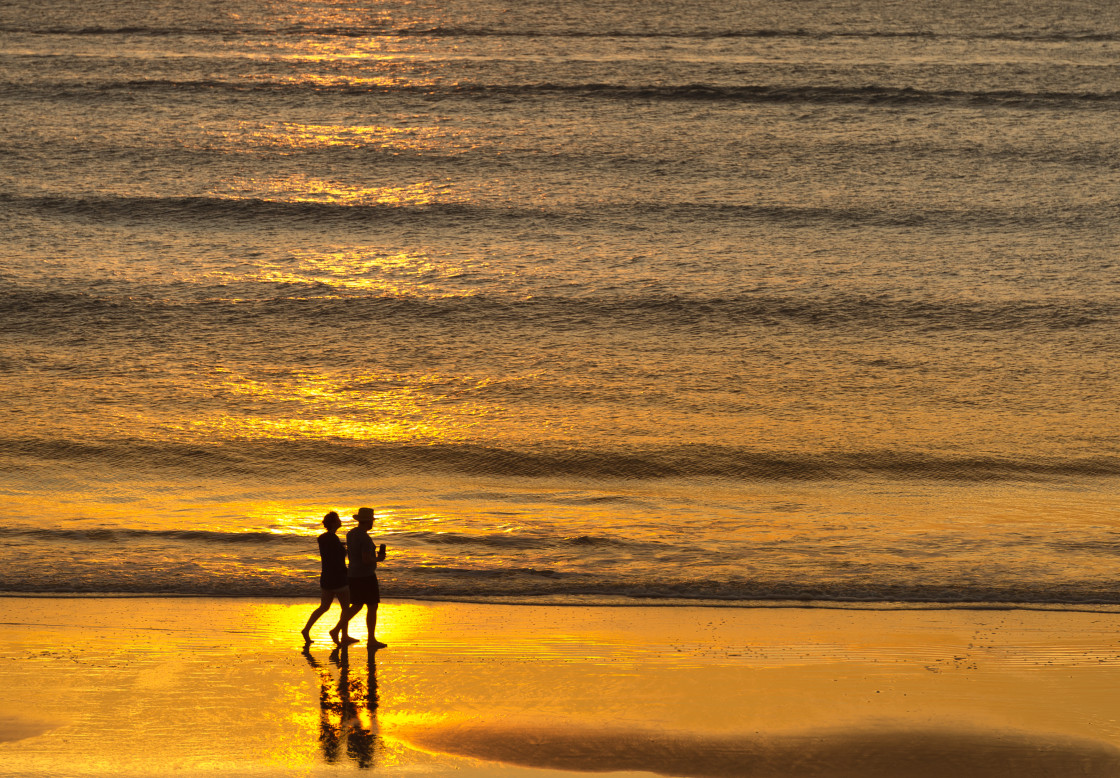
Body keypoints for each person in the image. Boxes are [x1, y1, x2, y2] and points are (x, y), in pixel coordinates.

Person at [336, 507, 388, 648]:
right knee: (372, 606)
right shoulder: (364, 537)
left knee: (357, 605)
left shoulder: (351, 533)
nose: (373, 524)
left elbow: (354, 554)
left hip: (352, 573)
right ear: (369, 522)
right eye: (372, 521)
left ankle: (337, 630)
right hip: (365, 575)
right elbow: (365, 560)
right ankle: (371, 640)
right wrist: (378, 559)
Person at [301, 511, 352, 644]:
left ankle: (306, 629)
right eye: (338, 519)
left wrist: (342, 547)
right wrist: (346, 550)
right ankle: (344, 635)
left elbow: (331, 553)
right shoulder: (332, 538)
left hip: (326, 577)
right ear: (334, 522)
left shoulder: (324, 538)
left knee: (324, 606)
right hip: (338, 577)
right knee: (346, 608)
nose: (340, 521)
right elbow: (338, 557)